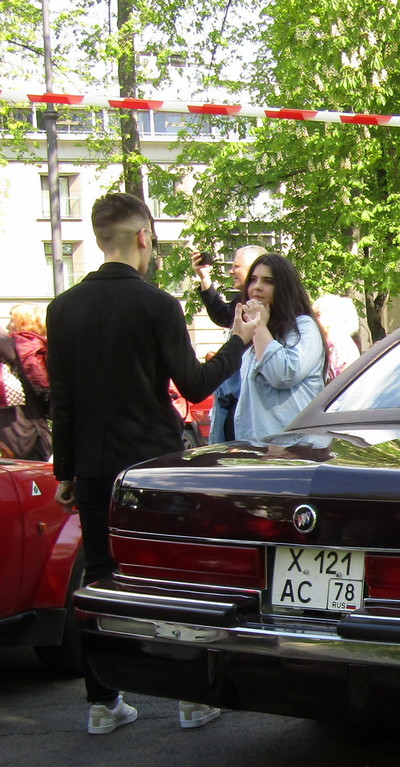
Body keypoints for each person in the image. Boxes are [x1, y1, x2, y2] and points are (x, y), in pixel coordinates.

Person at [47, 192, 258, 734]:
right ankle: (189, 697)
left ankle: (102, 700)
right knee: (170, 577)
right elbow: (194, 383)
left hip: (92, 467)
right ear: (144, 237)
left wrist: (64, 472)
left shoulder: (61, 308)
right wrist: (235, 342)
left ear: (99, 238)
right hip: (151, 466)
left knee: (98, 576)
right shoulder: (158, 305)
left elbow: (62, 401)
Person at [234, 254, 327, 440]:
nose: (257, 287)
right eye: (253, 280)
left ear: (284, 288)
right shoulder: (253, 329)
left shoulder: (303, 327)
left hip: (297, 451)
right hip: (257, 450)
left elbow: (281, 374)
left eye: (268, 281)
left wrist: (259, 326)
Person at [192, 245, 268, 443]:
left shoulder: (282, 314)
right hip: (234, 400)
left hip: (255, 404)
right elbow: (223, 315)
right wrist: (204, 277)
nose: (231, 271)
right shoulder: (242, 301)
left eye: (236, 266)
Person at [0, 303, 51, 460]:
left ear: (24, 322)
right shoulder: (40, 347)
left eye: (12, 320)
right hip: (34, 431)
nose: (8, 325)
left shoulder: (19, 345)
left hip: (20, 435)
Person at [312, 293, 361, 381]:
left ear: (335, 317)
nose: (313, 319)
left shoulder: (341, 347)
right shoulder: (327, 345)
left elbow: (342, 384)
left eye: (318, 314)